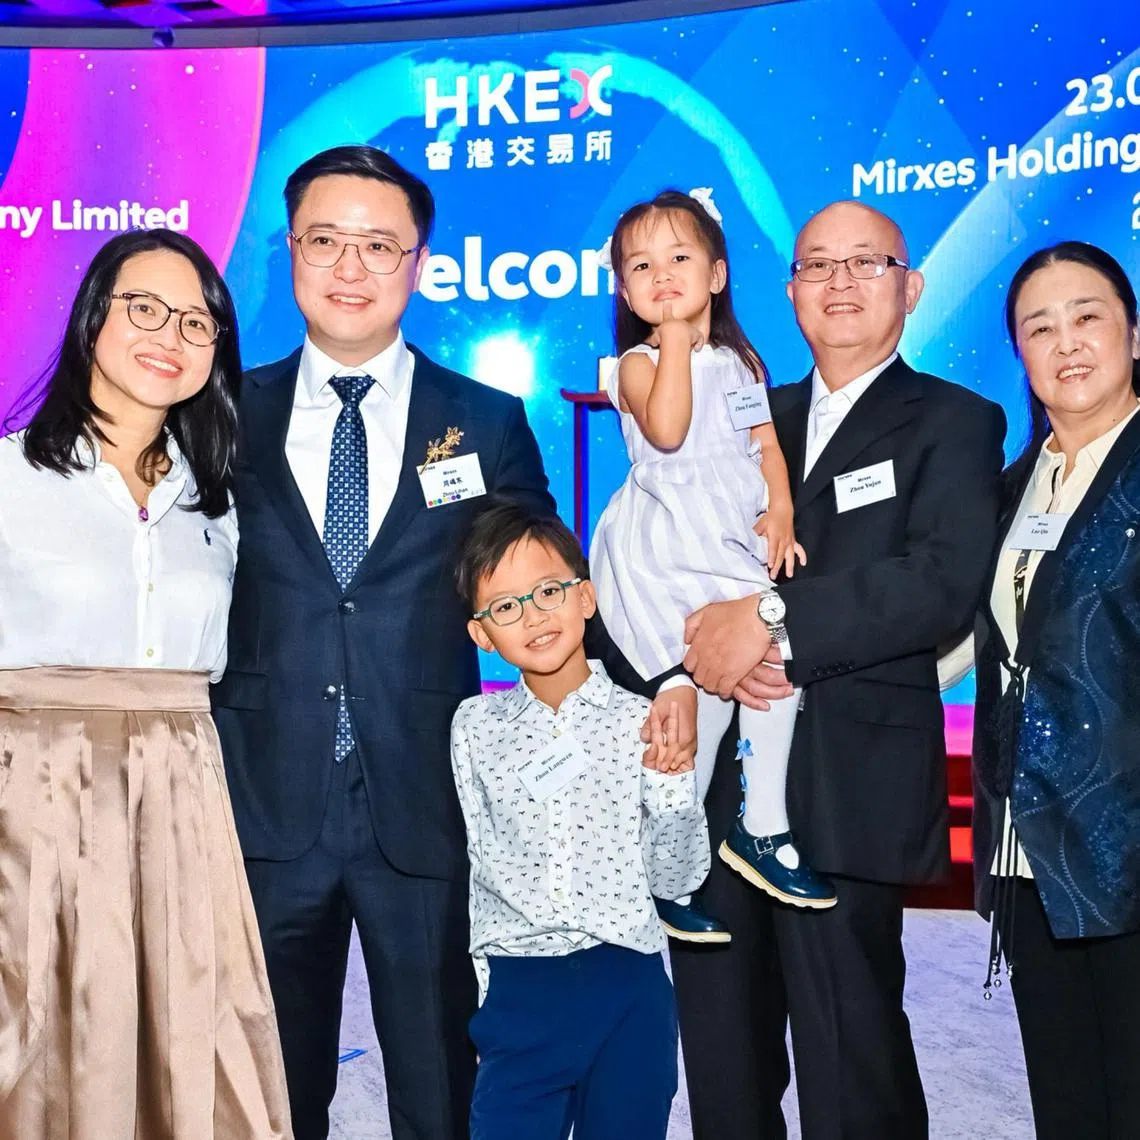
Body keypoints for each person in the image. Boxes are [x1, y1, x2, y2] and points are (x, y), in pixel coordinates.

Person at [210, 144, 556, 1140]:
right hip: (263, 804)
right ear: (290, 252)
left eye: (378, 245)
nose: (350, 268)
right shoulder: (224, 410)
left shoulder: (484, 420)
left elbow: (533, 591)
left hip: (426, 805)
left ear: (419, 263)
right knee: (265, 1090)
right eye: (326, 241)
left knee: (443, 1082)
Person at [670, 200, 1007, 1139]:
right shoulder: (739, 415)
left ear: (912, 286)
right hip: (716, 789)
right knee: (724, 1056)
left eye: (868, 262)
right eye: (819, 265)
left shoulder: (955, 419)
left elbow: (937, 584)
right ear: (790, 292)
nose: (842, 283)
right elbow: (674, 550)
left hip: (848, 785)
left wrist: (769, 618)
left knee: (849, 1050)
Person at [0, 229, 291, 1138]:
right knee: (35, 1048)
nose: (169, 333)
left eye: (196, 321)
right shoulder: (11, 478)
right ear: (94, 319)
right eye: (145, 308)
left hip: (181, 802)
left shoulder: (218, 505)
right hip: (28, 799)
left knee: (193, 1053)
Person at [590, 188, 835, 946]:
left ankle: (756, 829)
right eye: (642, 266)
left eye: (680, 258)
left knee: (767, 675)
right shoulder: (631, 365)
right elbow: (665, 430)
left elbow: (764, 444)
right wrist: (667, 340)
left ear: (718, 274)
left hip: (726, 548)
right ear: (625, 291)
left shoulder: (738, 363)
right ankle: (663, 870)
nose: (662, 275)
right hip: (665, 554)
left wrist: (782, 509)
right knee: (694, 708)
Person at [940, 240, 1140, 1140]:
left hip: (1130, 849)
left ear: (1133, 332)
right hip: (1028, 854)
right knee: (1066, 1105)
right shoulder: (1010, 489)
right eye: (1039, 326)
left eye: (1087, 316)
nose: (1067, 342)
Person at [450, 501, 710, 1139]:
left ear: (586, 598)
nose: (533, 615)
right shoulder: (475, 728)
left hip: (626, 984)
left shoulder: (642, 720)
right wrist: (490, 990)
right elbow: (479, 863)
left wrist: (673, 786)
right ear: (482, 634)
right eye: (505, 606)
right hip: (520, 989)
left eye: (548, 591)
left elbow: (678, 879)